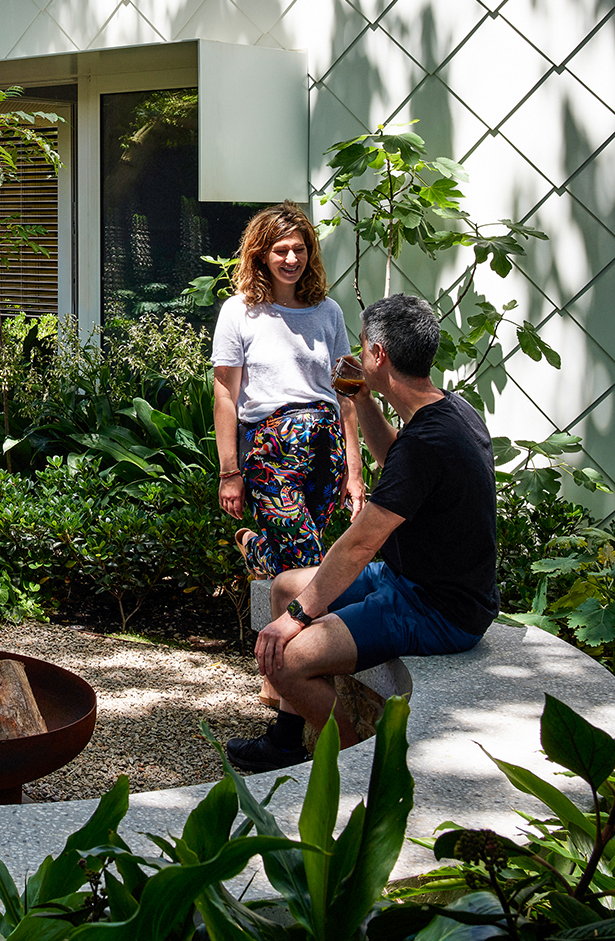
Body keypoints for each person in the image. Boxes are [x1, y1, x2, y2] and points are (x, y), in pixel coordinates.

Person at [227, 292, 497, 774]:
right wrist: (361, 398)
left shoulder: (429, 443)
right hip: (410, 580)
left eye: (363, 345)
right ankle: (290, 740)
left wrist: (297, 617)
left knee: (286, 658)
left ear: (379, 355)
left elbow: (358, 544)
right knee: (287, 582)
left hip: (439, 610)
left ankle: (350, 767)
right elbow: (396, 459)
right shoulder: (450, 412)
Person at [212, 205, 365, 581]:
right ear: (261, 254)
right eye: (281, 250)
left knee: (299, 551)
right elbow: (225, 395)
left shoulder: (328, 312)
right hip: (270, 448)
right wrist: (229, 472)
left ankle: (259, 551)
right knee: (308, 561)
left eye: (299, 249)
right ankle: (315, 638)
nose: (291, 259)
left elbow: (346, 393)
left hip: (326, 446)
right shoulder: (239, 312)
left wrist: (356, 469)